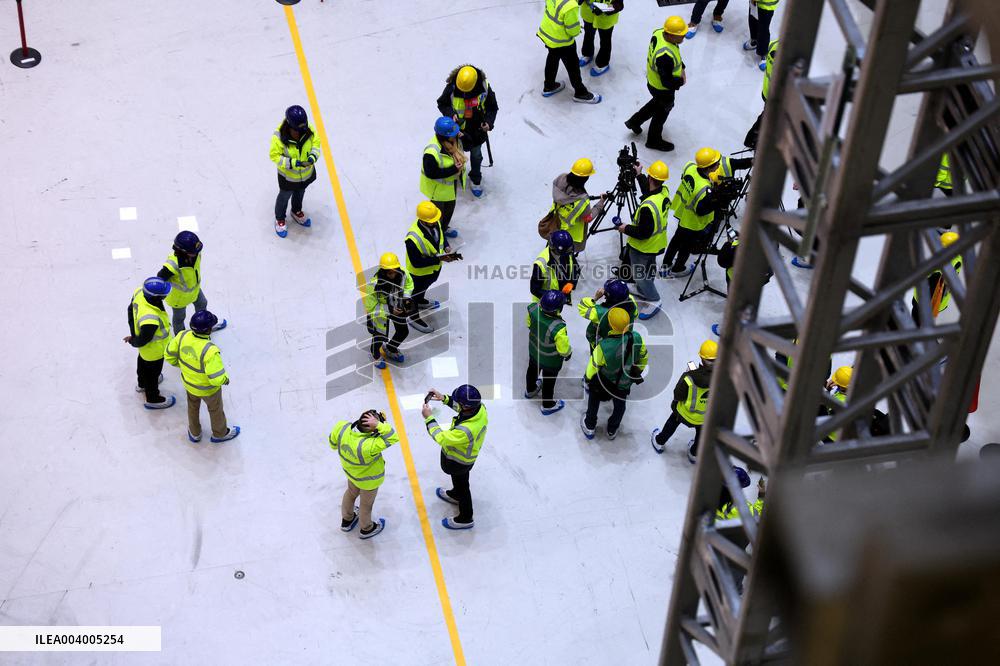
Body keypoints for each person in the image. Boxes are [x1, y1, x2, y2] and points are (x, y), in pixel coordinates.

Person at [164, 310, 240, 443]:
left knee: (192, 408)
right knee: (215, 410)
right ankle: (220, 433)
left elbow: (169, 355)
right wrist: (225, 380)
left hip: (189, 384)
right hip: (208, 390)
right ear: (209, 330)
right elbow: (216, 378)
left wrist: (182, 366)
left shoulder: (182, 336)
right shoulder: (210, 351)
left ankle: (195, 433)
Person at [422, 384, 489, 529]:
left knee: (463, 486)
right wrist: (444, 398)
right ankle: (456, 493)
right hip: (465, 459)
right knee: (460, 481)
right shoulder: (479, 408)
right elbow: (462, 408)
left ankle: (466, 518)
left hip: (459, 462)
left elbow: (441, 438)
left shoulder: (465, 430)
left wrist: (429, 419)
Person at [329, 409, 399, 539]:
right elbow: (393, 437)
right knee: (366, 505)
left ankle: (347, 520)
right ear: (373, 430)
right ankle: (366, 528)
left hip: (351, 473)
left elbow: (333, 444)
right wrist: (379, 425)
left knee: (350, 494)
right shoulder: (370, 445)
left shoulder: (342, 427)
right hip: (369, 481)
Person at [614, 160, 670, 319]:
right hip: (656, 243)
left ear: (651, 178)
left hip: (643, 246)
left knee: (639, 274)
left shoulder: (647, 207)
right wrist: (639, 175)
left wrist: (625, 228)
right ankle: (644, 288)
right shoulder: (663, 192)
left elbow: (643, 232)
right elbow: (649, 188)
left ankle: (654, 299)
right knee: (649, 267)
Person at [581, 307, 649, 440]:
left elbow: (593, 366)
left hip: (605, 382)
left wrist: (588, 379)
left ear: (611, 324)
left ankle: (589, 425)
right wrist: (638, 370)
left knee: (594, 399)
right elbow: (643, 356)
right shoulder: (636, 337)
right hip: (624, 382)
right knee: (620, 406)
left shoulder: (604, 346)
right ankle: (612, 429)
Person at [662, 147, 728, 278]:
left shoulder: (690, 167)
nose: (719, 165)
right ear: (709, 168)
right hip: (693, 223)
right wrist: (717, 200)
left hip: (683, 214)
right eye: (716, 164)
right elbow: (701, 210)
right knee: (686, 247)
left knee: (675, 241)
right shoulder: (704, 188)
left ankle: (666, 265)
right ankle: (678, 268)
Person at [624, 16, 687, 151]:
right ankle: (653, 140)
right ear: (670, 35)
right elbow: (667, 81)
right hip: (662, 88)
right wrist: (680, 81)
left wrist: (682, 66)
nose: (684, 37)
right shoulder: (664, 55)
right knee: (662, 112)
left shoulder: (659, 33)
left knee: (656, 104)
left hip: (653, 83)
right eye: (681, 35)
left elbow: (675, 53)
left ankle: (634, 122)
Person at [436, 65, 499, 198]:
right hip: (455, 133)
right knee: (454, 155)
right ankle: (455, 173)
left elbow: (492, 107)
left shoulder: (484, 88)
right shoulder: (452, 88)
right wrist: (450, 113)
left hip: (477, 131)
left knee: (476, 156)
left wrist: (488, 123)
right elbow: (442, 103)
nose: (464, 94)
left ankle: (475, 180)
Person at [651, 340, 716, 463]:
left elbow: (678, 395)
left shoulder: (689, 377)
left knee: (672, 423)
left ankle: (659, 441)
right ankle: (694, 453)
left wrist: (689, 373)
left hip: (684, 413)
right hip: (704, 417)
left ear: (701, 357)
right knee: (701, 433)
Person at [404, 201, 462, 333]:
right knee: (414, 293)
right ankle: (413, 317)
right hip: (418, 274)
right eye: (433, 220)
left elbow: (441, 236)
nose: (436, 221)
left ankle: (420, 301)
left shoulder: (435, 223)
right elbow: (416, 262)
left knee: (424, 287)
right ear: (423, 220)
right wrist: (439, 259)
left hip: (433, 269)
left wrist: (447, 247)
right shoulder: (412, 239)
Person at [157, 231, 226, 334]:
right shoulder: (173, 265)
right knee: (179, 318)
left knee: (202, 303)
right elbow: (160, 279)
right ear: (182, 251)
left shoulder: (196, 253)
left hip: (195, 290)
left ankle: (206, 325)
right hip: (179, 299)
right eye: (194, 251)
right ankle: (180, 339)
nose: (197, 252)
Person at [269, 104, 321, 238]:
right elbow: (274, 156)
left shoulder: (307, 130)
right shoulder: (279, 137)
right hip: (288, 177)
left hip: (305, 174)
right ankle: (280, 218)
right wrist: (292, 163)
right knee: (284, 196)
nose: (301, 132)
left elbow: (316, 143)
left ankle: (296, 210)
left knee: (300, 192)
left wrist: (312, 157)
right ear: (290, 126)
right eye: (298, 130)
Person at [536, 0, 602, 103]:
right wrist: (577, 29)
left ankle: (549, 86)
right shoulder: (570, 5)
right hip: (562, 41)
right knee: (573, 66)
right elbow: (573, 30)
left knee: (552, 58)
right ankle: (580, 93)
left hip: (548, 34)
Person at [125, 277, 175, 409]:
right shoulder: (150, 318)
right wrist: (134, 341)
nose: (165, 295)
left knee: (142, 364)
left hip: (145, 350)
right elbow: (144, 339)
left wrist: (134, 335)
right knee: (152, 374)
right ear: (156, 297)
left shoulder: (139, 292)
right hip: (155, 350)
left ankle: (142, 384)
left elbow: (130, 310)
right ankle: (153, 398)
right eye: (163, 295)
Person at [526, 290, 572, 415]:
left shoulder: (532, 310)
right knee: (548, 382)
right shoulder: (558, 327)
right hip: (551, 362)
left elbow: (529, 325)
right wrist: (568, 354)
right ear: (559, 309)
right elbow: (563, 350)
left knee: (532, 371)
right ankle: (547, 405)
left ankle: (530, 390)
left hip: (534, 352)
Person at [364, 252, 413, 368]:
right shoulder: (374, 284)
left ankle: (390, 348)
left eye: (395, 271)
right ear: (383, 271)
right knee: (379, 337)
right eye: (389, 272)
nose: (393, 274)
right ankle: (375, 354)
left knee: (403, 332)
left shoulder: (403, 274)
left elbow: (409, 285)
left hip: (397, 307)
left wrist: (405, 299)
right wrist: (390, 311)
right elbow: (371, 306)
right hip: (381, 313)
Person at [421, 117, 467, 239]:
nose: (456, 135)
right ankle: (437, 235)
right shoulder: (431, 152)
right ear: (444, 136)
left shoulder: (454, 142)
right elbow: (431, 173)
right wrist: (453, 169)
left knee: (450, 209)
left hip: (450, 186)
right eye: (453, 133)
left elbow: (470, 143)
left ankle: (444, 228)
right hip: (437, 190)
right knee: (437, 215)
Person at [550, 158, 608, 253]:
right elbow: (588, 218)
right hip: (569, 235)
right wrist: (600, 204)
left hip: (554, 223)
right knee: (565, 257)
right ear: (586, 178)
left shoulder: (560, 178)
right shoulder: (582, 199)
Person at [911, 231, 962, 326]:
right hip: (937, 300)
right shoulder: (957, 259)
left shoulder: (939, 268)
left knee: (917, 322)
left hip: (925, 302)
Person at [577, 278, 638, 353]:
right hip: (624, 338)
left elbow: (583, 306)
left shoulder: (601, 312)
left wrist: (595, 298)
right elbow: (635, 315)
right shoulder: (632, 303)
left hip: (605, 343)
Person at [530, 231, 580, 306]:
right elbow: (535, 289)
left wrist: (572, 283)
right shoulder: (541, 264)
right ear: (557, 249)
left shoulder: (567, 251)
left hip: (561, 297)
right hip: (545, 302)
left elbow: (576, 268)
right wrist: (555, 298)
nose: (571, 252)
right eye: (568, 250)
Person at [580, 1, 625, 77]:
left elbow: (618, 4)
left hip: (606, 20)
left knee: (605, 41)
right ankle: (587, 54)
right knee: (588, 35)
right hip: (588, 14)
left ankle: (603, 64)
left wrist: (605, 9)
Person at [743, 0, 779, 71]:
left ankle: (763, 53)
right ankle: (754, 41)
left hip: (767, 5)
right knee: (752, 19)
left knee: (763, 29)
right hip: (754, 3)